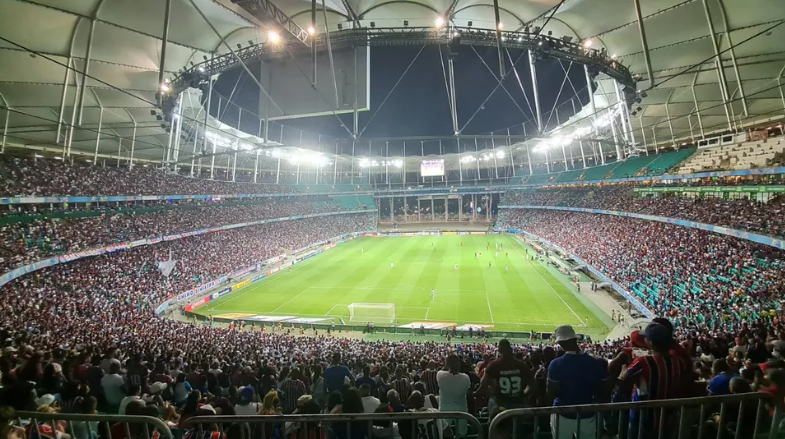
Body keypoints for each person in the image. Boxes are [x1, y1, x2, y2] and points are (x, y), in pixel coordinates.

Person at [620, 322, 692, 439]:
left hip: (642, 417)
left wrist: (624, 364)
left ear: (650, 343)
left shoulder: (643, 362)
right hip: (667, 416)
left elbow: (623, 379)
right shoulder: (678, 362)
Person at [547, 325, 608, 439]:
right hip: (587, 414)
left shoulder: (555, 364)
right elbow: (603, 389)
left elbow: (551, 392)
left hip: (563, 413)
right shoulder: (596, 363)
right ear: (575, 339)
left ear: (561, 343)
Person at [476, 339, 533, 410]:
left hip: (500, 404)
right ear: (511, 350)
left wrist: (492, 392)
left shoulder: (493, 365)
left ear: (499, 350)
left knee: (493, 408)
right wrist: (524, 394)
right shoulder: (522, 365)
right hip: (518, 404)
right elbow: (532, 386)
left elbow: (483, 384)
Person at [437, 354, 471, 434]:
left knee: (443, 434)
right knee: (462, 434)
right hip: (461, 410)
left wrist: (447, 365)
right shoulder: (466, 378)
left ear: (447, 364)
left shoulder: (440, 375)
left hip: (444, 410)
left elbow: (443, 369)